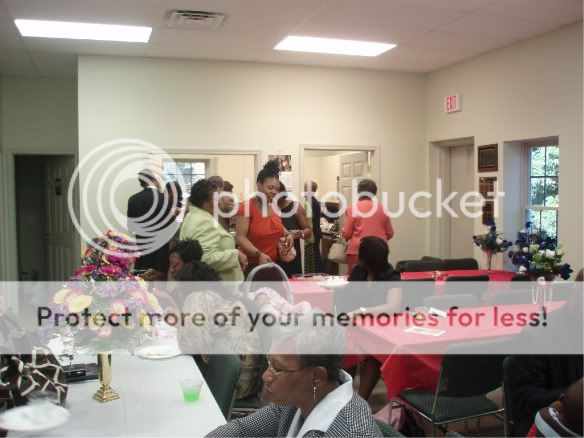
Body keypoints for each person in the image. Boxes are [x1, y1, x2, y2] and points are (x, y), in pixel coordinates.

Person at [206, 313, 382, 437]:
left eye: (277, 368)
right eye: (269, 363)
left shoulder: (351, 432)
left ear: (317, 376)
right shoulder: (298, 399)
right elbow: (242, 430)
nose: (266, 376)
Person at [508, 268, 584, 436]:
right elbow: (524, 399)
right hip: (548, 424)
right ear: (575, 295)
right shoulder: (537, 335)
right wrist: (573, 397)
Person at [177, 262, 261, 400]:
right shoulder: (225, 296)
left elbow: (191, 345)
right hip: (249, 380)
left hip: (228, 385)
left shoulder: (196, 297)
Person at [334, 236, 402, 400]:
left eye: (360, 254)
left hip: (380, 330)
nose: (357, 256)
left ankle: (360, 401)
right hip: (356, 327)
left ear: (368, 259)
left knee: (373, 357)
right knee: (346, 350)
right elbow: (348, 298)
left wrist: (362, 311)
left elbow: (393, 307)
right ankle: (343, 397)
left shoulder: (391, 276)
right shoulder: (358, 271)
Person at [180, 179, 246, 282]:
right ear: (206, 201)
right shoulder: (202, 221)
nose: (219, 201)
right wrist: (235, 255)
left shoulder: (193, 215)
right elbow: (205, 258)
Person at [235, 160, 294, 276]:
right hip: (251, 265)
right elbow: (240, 237)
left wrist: (289, 235)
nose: (274, 192)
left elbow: (278, 228)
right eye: (270, 188)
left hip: (272, 264)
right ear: (259, 185)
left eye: (277, 189)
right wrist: (259, 254)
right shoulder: (247, 207)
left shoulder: (273, 206)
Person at [342, 179, 394, 274]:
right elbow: (390, 233)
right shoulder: (383, 209)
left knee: (356, 279)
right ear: (374, 193)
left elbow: (347, 233)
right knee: (379, 277)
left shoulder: (352, 209)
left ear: (359, 192)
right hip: (380, 251)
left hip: (357, 251)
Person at [127, 169, 173, 272]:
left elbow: (131, 228)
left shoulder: (133, 199)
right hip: (160, 256)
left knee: (141, 280)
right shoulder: (164, 199)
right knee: (160, 281)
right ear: (154, 179)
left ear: (141, 183)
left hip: (143, 252)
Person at [276, 182, 312, 278]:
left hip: (291, 256)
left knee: (293, 283)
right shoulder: (269, 209)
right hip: (273, 257)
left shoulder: (295, 207)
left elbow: (308, 230)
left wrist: (293, 235)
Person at [304, 181, 324, 273]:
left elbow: (308, 220)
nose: (304, 190)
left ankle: (319, 274)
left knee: (315, 257)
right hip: (315, 233)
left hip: (313, 234)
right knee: (315, 256)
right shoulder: (312, 201)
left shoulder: (312, 203)